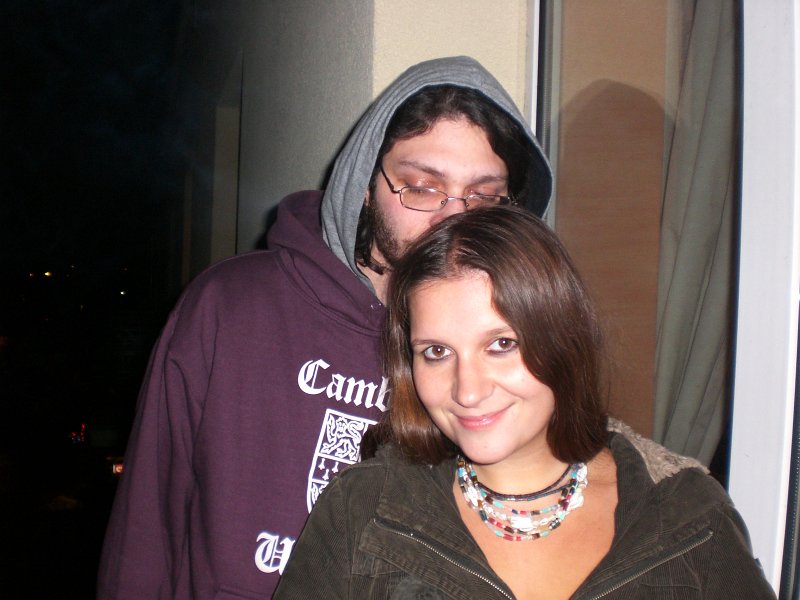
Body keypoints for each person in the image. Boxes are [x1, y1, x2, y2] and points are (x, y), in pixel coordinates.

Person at [96, 56, 553, 599]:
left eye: (483, 196)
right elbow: (147, 526)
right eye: (420, 187)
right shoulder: (230, 307)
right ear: (364, 184)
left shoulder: (512, 349)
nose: (452, 219)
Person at [274, 207, 776, 599]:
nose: (467, 391)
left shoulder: (689, 519)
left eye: (501, 344)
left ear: (562, 340)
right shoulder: (361, 511)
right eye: (436, 352)